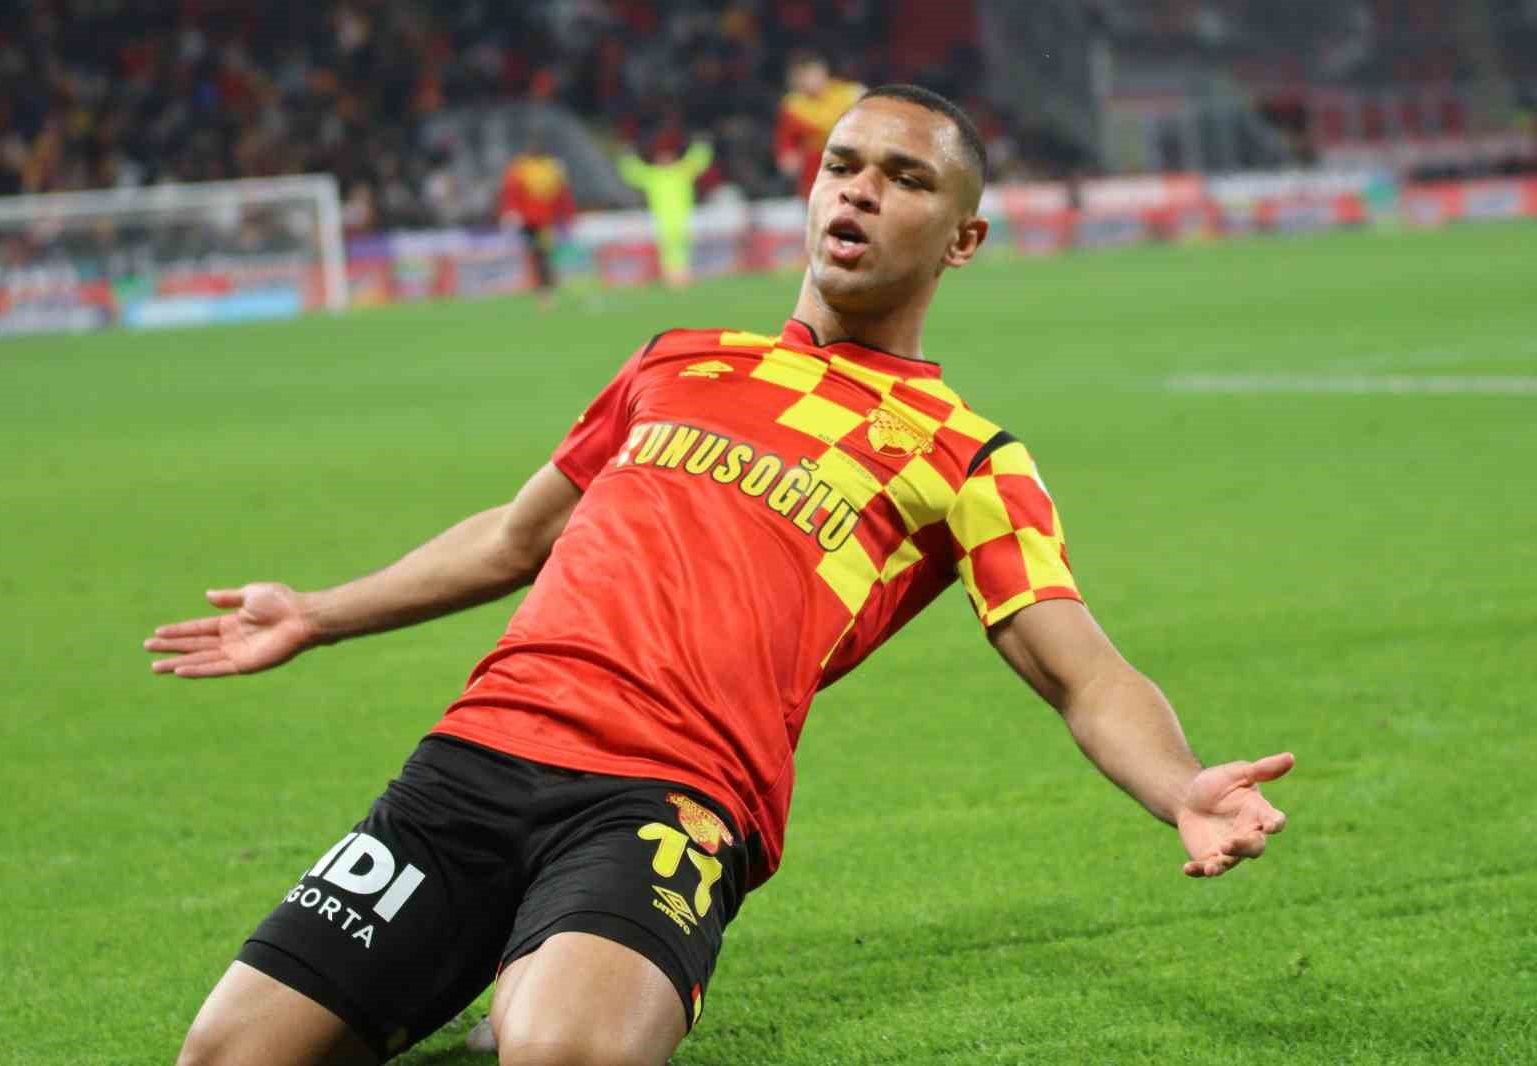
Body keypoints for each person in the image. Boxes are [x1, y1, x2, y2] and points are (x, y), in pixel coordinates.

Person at [151, 85, 1294, 1066]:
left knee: (561, 1050)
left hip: (669, 794)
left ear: (963, 238)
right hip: (479, 756)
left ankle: (530, 975)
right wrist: (316, 614)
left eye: (903, 179)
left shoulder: (967, 458)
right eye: (842, 165)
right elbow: (514, 536)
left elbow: (1080, 669)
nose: (858, 192)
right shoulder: (676, 361)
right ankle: (514, 957)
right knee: (227, 1051)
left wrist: (1177, 786)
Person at [616, 138, 714, 288]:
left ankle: (682, 276)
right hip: (662, 219)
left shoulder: (680, 172)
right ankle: (672, 277)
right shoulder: (655, 176)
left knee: (682, 247)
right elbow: (633, 172)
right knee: (668, 249)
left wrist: (702, 145)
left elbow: (697, 162)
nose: (665, 161)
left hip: (682, 217)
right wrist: (626, 157)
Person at [774, 52, 865, 199]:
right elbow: (786, 138)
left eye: (813, 74)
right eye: (803, 76)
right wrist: (787, 155)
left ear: (824, 71)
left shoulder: (851, 94)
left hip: (852, 159)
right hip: (815, 167)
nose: (809, 80)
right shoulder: (794, 105)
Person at [499, 142, 577, 307]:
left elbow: (562, 194)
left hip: (539, 222)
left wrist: (567, 215)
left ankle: (544, 291)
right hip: (534, 221)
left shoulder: (536, 168)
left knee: (540, 254)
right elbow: (512, 192)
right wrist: (511, 211)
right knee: (539, 254)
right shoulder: (535, 168)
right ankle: (543, 289)